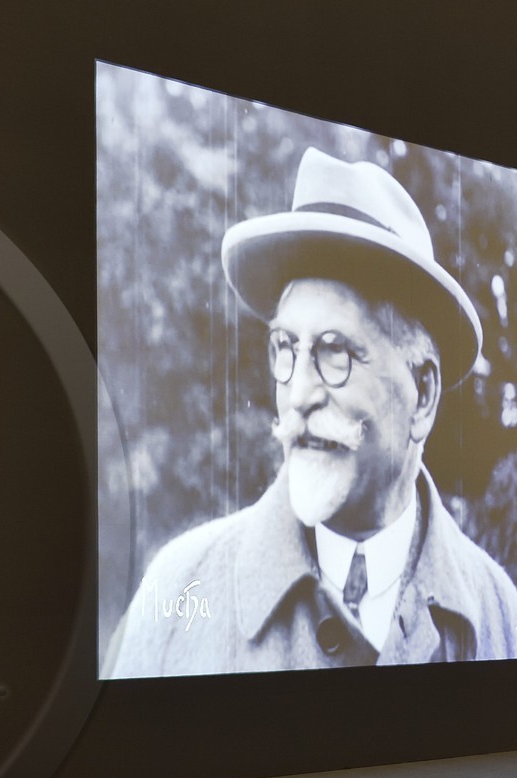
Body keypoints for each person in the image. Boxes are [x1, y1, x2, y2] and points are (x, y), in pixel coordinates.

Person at [105, 147, 517, 677]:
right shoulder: (178, 594)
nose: (298, 394)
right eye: (284, 349)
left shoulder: (501, 619)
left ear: (423, 392)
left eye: (334, 352)